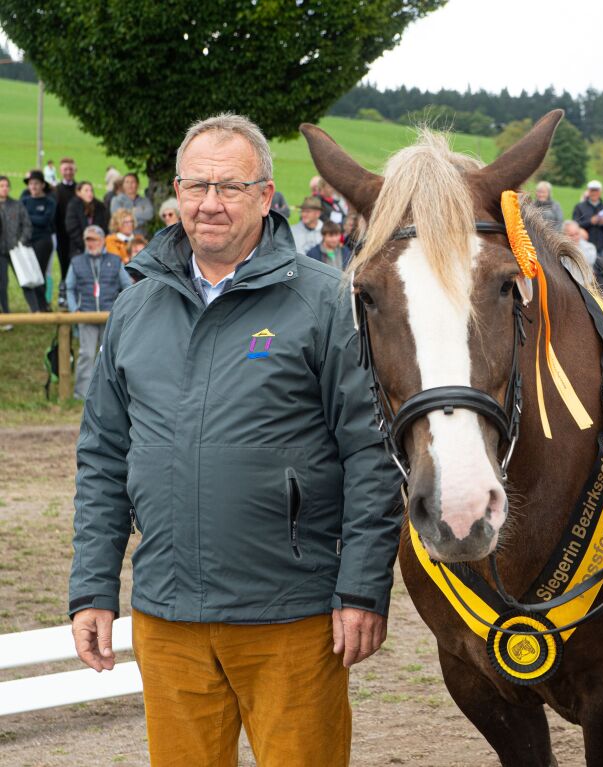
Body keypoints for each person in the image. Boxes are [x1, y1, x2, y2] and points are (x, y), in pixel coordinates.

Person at [69, 113, 402, 767]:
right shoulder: (136, 305)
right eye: (196, 186)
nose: (210, 203)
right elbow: (103, 457)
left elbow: (371, 452)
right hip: (167, 616)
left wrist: (363, 589)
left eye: (229, 186)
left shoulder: (324, 302)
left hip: (292, 616)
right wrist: (92, 587)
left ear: (265, 196)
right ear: (176, 192)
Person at [64, 225, 132, 398]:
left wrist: (120, 309)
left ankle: (111, 396)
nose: (90, 243)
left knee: (109, 357)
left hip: (110, 317)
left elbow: (127, 287)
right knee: (86, 355)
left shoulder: (116, 261)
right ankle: (81, 395)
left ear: (102, 241)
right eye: (88, 240)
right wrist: (74, 309)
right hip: (86, 315)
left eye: (93, 239)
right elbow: (69, 288)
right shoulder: (76, 262)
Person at [0, 174, 35, 320]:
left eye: (7, 185)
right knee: (2, 284)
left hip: (16, 249)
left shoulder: (17, 205)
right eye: (1, 186)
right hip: (0, 252)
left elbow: (27, 225)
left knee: (25, 280)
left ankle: (36, 311)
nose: (5, 189)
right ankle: (6, 315)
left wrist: (21, 241)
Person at [21, 169, 56, 312]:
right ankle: (35, 305)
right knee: (30, 274)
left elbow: (45, 221)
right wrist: (33, 218)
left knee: (41, 273)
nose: (33, 187)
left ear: (42, 185)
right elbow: (19, 219)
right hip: (28, 242)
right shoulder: (24, 201)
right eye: (31, 184)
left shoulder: (49, 202)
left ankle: (43, 305)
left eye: (36, 183)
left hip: (43, 241)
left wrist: (28, 217)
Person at [54, 157, 79, 306]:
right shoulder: (56, 190)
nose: (68, 172)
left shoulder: (79, 189)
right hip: (61, 235)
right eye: (65, 169)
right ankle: (63, 294)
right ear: (61, 171)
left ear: (75, 170)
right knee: (64, 264)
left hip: (76, 235)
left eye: (70, 169)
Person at [572, 180, 603, 256]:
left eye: (596, 191)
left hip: (601, 248)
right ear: (588, 191)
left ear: (600, 192)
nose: (594, 193)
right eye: (592, 190)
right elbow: (575, 225)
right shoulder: (579, 207)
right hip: (583, 248)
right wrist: (590, 222)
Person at [66, 181, 110, 256]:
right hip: (79, 249)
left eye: (91, 190)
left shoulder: (100, 206)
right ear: (78, 192)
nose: (90, 193)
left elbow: (105, 227)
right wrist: (87, 245)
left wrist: (99, 244)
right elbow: (72, 229)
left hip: (99, 248)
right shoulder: (73, 206)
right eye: (86, 190)